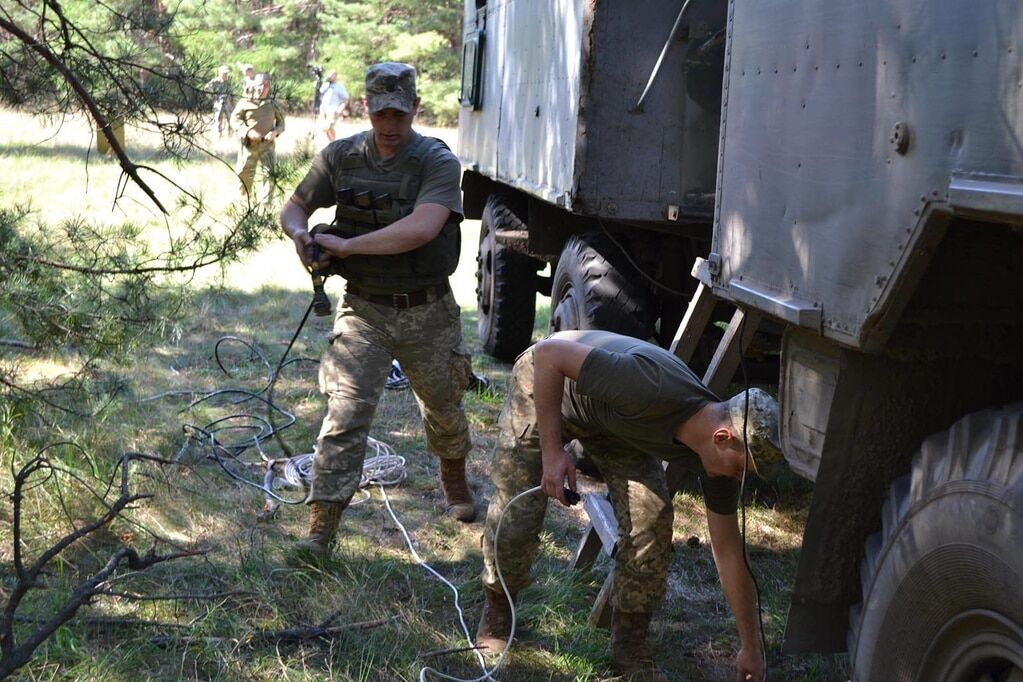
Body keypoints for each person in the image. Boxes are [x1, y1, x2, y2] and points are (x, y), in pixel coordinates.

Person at [475, 330, 780, 682]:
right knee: (518, 513)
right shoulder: (650, 388)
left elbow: (729, 553)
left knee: (651, 518)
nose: (739, 478)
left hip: (612, 420)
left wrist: (751, 647)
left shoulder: (716, 459)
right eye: (741, 468)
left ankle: (629, 644)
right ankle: (498, 610)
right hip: (550, 386)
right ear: (723, 438)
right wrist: (551, 452)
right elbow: (548, 355)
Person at [279, 62, 476, 556]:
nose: (390, 126)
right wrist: (302, 236)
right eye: (381, 113)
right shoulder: (341, 156)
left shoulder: (436, 161)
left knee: (445, 410)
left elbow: (423, 228)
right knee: (344, 415)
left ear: (416, 109)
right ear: (366, 107)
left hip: (427, 314)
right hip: (364, 310)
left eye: (400, 115)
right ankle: (322, 526)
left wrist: (348, 247)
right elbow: (294, 206)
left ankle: (454, 480)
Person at [231, 73, 285, 198]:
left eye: (266, 85)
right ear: (255, 85)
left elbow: (281, 122)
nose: (263, 88)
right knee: (245, 174)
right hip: (249, 146)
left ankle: (266, 206)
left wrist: (275, 132)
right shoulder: (245, 101)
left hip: (268, 146)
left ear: (269, 86)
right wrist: (247, 132)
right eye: (260, 84)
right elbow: (234, 120)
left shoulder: (272, 103)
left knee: (269, 176)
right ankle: (244, 202)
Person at [318, 70, 350, 141]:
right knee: (324, 128)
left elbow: (346, 99)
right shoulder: (325, 85)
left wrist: (340, 109)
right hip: (323, 109)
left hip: (332, 109)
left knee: (329, 126)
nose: (330, 76)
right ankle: (331, 142)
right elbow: (320, 93)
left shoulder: (339, 87)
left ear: (335, 76)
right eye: (329, 75)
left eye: (332, 75)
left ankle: (333, 141)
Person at [206, 66, 234, 138]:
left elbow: (231, 94)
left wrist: (232, 102)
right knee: (218, 120)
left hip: (227, 103)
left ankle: (229, 137)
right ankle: (219, 137)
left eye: (226, 73)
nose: (226, 75)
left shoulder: (228, 83)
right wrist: (212, 97)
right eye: (224, 73)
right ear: (220, 73)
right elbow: (206, 88)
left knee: (231, 120)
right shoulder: (215, 81)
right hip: (218, 103)